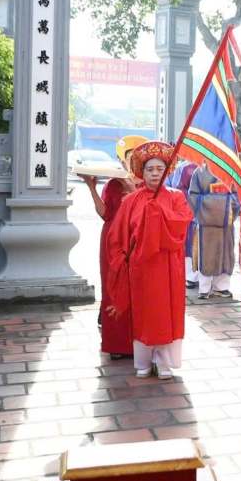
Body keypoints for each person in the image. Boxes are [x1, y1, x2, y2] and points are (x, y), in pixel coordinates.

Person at [105, 141, 194, 380]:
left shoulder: (176, 197)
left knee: (166, 314)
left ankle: (163, 362)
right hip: (141, 267)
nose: (155, 173)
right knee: (144, 314)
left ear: (167, 172)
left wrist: (158, 213)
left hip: (168, 266)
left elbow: (181, 225)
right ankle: (143, 361)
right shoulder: (131, 201)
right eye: (150, 169)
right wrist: (121, 261)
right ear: (142, 173)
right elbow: (118, 235)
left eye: (160, 169)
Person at [84, 134, 146, 359]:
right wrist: (91, 187)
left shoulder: (147, 185)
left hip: (137, 242)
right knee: (113, 289)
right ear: (121, 160)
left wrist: (131, 189)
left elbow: (147, 213)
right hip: (112, 242)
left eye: (136, 157)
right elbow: (105, 213)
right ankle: (116, 345)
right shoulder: (112, 184)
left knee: (137, 291)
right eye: (127, 157)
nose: (130, 162)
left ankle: (139, 343)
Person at [188, 163, 241, 299]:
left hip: (226, 223)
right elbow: (193, 196)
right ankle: (204, 288)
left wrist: (228, 206)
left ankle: (221, 287)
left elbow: (238, 195)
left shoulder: (230, 170)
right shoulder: (199, 172)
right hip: (206, 225)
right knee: (207, 255)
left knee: (226, 254)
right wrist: (220, 204)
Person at [167, 158, 201, 290]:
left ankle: (203, 276)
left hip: (208, 212)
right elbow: (178, 190)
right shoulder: (185, 167)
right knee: (190, 244)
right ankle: (191, 276)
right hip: (190, 212)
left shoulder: (211, 165)